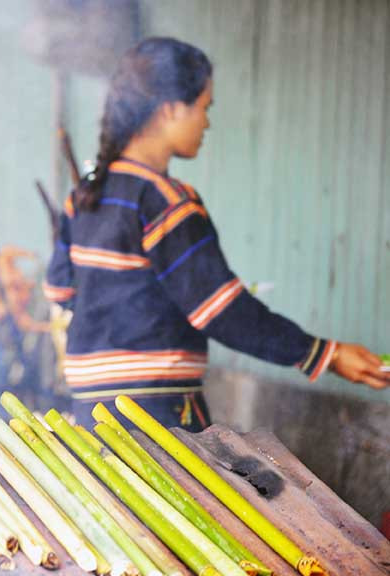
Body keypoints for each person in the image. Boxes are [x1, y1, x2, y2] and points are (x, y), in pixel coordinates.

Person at [44, 37, 389, 431]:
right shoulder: (166, 202)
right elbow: (222, 311)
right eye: (203, 108)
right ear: (170, 109)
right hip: (156, 407)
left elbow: (60, 292)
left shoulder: (82, 198)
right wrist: (323, 353)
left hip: (90, 407)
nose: (206, 122)